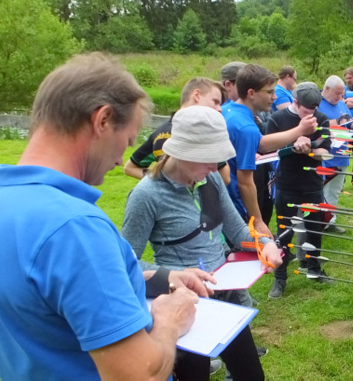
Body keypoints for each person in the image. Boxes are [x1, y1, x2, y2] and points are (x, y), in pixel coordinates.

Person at [0, 53, 209, 380]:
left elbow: (44, 294)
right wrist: (170, 320)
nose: (119, 161)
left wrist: (157, 277)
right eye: (125, 142)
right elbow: (141, 375)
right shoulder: (74, 228)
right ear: (102, 120)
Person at [122, 106, 283, 381]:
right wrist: (173, 277)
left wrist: (265, 243)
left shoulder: (210, 180)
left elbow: (237, 230)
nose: (215, 167)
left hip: (226, 296)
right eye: (208, 159)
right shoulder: (146, 196)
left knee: (252, 376)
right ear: (182, 152)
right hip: (183, 305)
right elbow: (125, 265)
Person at [222, 64, 318, 239]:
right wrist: (258, 221)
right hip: (235, 206)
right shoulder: (245, 127)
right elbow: (245, 181)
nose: (274, 97)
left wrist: (299, 130)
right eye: (269, 92)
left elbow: (262, 144)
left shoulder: (230, 109)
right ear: (251, 93)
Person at [266, 82, 333, 299]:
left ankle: (314, 269)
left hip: (312, 185)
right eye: (306, 111)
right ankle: (280, 278)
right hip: (287, 184)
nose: (310, 115)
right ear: (295, 102)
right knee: (285, 232)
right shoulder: (277, 119)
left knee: (314, 229)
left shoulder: (321, 119)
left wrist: (311, 147)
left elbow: (325, 152)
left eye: (313, 110)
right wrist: (294, 143)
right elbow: (268, 149)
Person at [123, 77, 230, 184]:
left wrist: (158, 181)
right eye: (215, 102)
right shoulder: (200, 134)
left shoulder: (160, 132)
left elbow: (130, 167)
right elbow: (225, 178)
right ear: (196, 95)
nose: (219, 109)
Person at [318, 75, 353, 234]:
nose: (340, 97)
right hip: (323, 157)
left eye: (342, 94)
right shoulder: (316, 104)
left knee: (334, 191)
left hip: (341, 155)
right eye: (337, 93)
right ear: (327, 89)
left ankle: (330, 221)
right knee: (320, 192)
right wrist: (337, 121)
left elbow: (350, 127)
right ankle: (316, 222)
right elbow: (316, 126)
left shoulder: (342, 105)